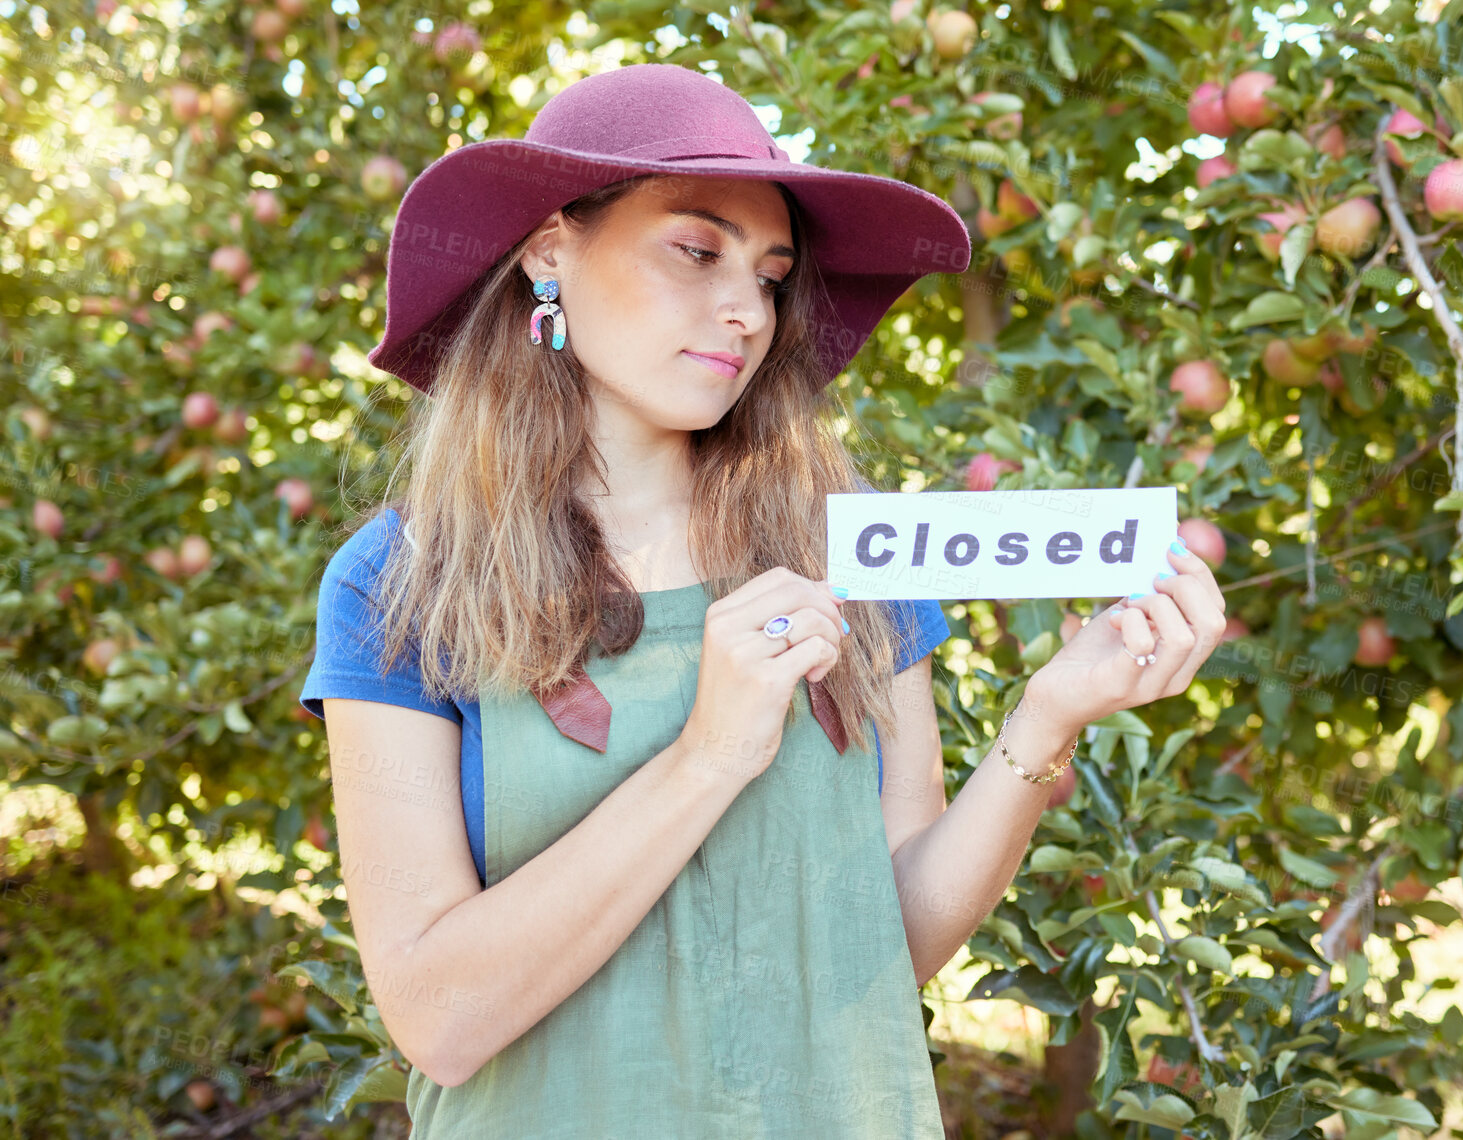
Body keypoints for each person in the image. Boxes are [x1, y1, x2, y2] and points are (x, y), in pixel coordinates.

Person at [299, 63, 1226, 1138]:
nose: (745, 310)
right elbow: (440, 1020)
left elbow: (890, 949)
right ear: (551, 250)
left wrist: (1047, 718)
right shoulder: (406, 578)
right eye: (695, 250)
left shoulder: (849, 546)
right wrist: (710, 752)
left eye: (772, 275)